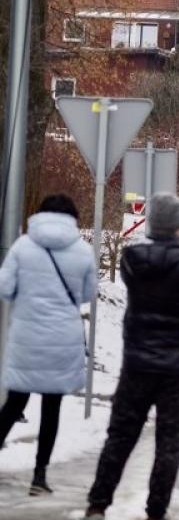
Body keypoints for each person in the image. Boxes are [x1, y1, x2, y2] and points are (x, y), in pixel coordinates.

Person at [72, 192, 179, 520]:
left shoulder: (133, 260)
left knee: (120, 437)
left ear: (152, 223)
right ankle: (155, 519)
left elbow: (149, 256)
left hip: (138, 365)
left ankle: (95, 511)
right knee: (168, 445)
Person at [0, 194, 96, 496]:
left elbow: (5, 288)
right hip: (62, 340)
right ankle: (39, 477)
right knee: (51, 408)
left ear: (41, 214)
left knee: (14, 403)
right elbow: (87, 294)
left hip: (27, 337)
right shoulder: (83, 251)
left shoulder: (23, 246)